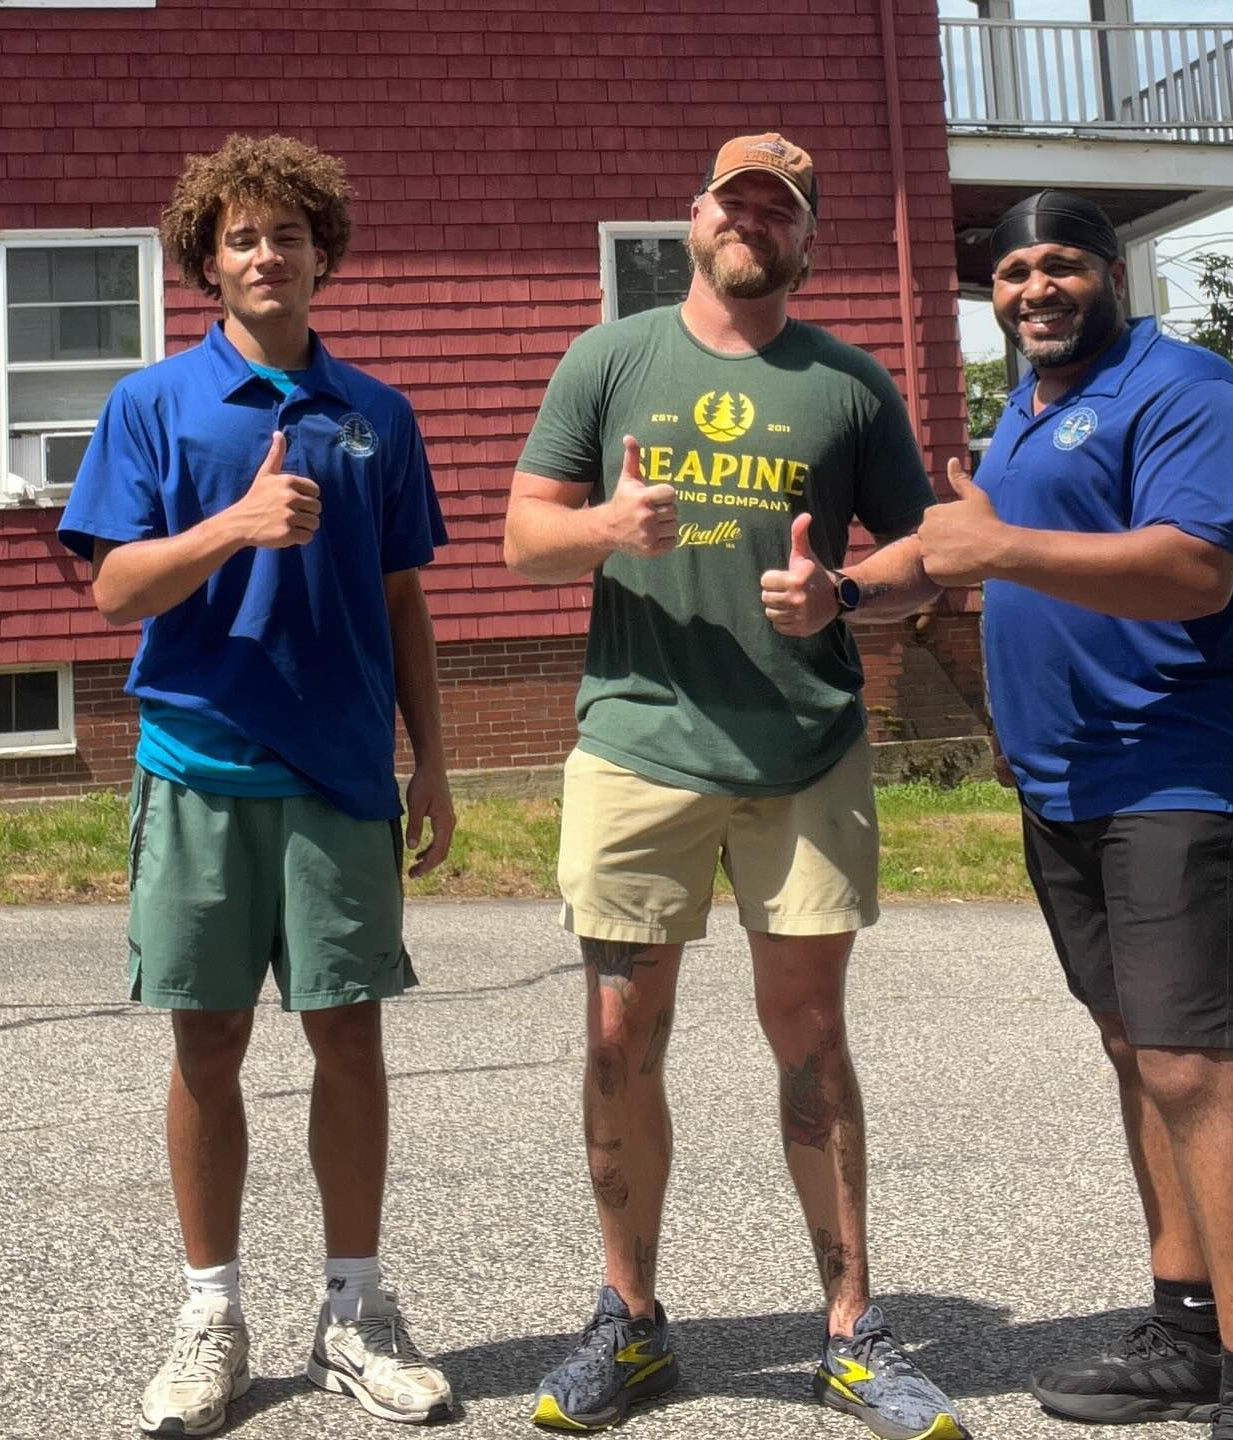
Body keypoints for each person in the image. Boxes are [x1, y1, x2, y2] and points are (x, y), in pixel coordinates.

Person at [503, 133, 969, 1439]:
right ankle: (629, 1322)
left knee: (809, 1034)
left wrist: (850, 593)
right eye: (736, 202)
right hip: (639, 743)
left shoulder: (850, 384)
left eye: (782, 211)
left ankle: (852, 1333)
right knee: (616, 1036)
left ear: (805, 239)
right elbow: (522, 534)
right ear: (696, 215)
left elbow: (928, 553)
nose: (754, 225)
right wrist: (605, 528)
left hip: (803, 749)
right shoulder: (610, 358)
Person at [58, 133, 454, 1437]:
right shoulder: (152, 407)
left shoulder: (376, 417)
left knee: (349, 1036)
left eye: (289, 232)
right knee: (208, 1041)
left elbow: (404, 598)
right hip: (199, 760)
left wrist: (434, 759)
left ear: (322, 253)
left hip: (343, 771)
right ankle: (209, 1314)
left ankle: (356, 1310)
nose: (267, 253)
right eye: (241, 236)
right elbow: (114, 586)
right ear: (205, 262)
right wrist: (234, 525)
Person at [917, 190, 1233, 1440]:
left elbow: (1194, 570)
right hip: (1069, 779)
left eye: (1061, 265)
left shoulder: (1185, 388)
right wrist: (835, 587)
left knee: (1195, 1063)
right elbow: (964, 545)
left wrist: (995, 553)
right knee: (1136, 1050)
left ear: (1112, 270)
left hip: (1182, 768)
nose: (1035, 287)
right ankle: (1187, 1330)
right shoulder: (1024, 415)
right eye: (1014, 270)